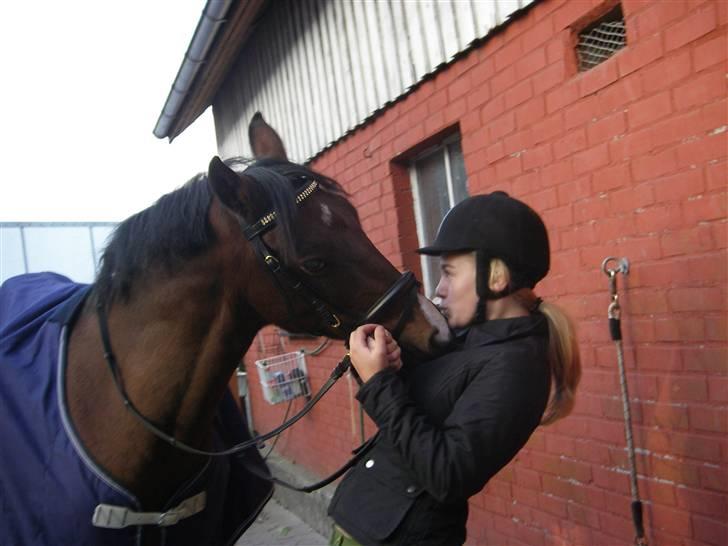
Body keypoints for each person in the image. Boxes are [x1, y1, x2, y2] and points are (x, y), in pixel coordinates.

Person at [327, 191, 582, 546]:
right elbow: (421, 415)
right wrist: (390, 368)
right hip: (366, 525)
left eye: (449, 273)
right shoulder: (469, 338)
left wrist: (380, 382)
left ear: (495, 277)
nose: (440, 289)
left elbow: (448, 474)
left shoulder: (517, 366)